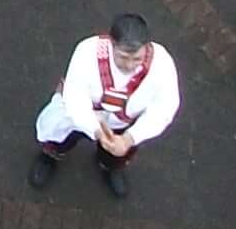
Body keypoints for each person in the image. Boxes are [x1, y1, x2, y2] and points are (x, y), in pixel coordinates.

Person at [28, 12, 177, 195]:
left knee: (118, 153)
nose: (130, 66)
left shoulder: (162, 64)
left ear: (147, 48)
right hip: (83, 114)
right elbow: (75, 96)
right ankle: (50, 157)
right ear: (111, 44)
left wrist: (129, 138)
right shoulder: (86, 51)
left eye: (137, 59)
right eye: (123, 57)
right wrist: (96, 130)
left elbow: (164, 108)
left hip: (124, 124)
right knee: (60, 136)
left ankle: (110, 167)